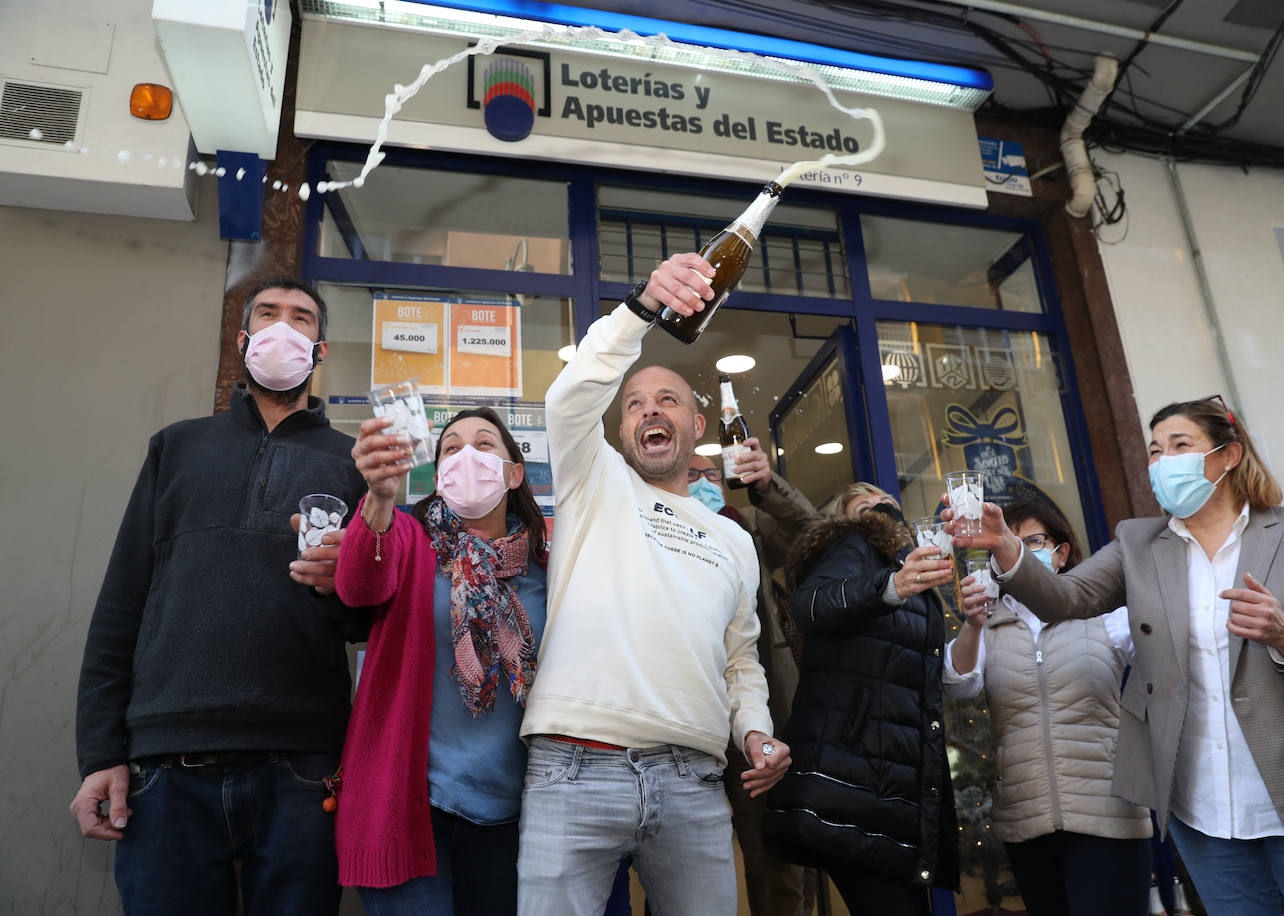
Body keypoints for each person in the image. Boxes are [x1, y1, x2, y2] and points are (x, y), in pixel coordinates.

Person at [955, 396, 1284, 916]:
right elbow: (1067, 599)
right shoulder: (1139, 542)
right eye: (1154, 451)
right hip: (1205, 810)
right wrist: (1004, 546)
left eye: (1180, 445)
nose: (1162, 461)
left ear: (1229, 455)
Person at [70, 277, 365, 915]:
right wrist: (100, 753)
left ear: (320, 349)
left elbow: (364, 622)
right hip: (165, 765)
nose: (285, 328)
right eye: (268, 314)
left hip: (304, 765)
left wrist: (341, 586)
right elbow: (123, 601)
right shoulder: (177, 447)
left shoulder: (351, 463)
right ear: (242, 340)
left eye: (303, 319)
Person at [516, 252, 791, 915]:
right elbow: (570, 395)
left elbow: (740, 659)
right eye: (635, 404)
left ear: (697, 428)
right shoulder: (593, 480)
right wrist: (641, 309)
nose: (649, 411)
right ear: (618, 430)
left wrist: (754, 730)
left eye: (668, 399)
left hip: (694, 783)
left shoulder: (733, 538)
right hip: (572, 769)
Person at [332, 407, 547, 914]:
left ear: (514, 473)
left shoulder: (544, 567)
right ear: (437, 473)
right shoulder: (407, 536)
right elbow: (357, 588)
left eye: (484, 444)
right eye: (451, 448)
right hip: (410, 806)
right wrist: (380, 498)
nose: (467, 456)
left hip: (510, 816)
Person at [944, 500, 1152, 916]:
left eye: (1033, 541)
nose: (1019, 550)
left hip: (1108, 811)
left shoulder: (1105, 615)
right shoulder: (991, 622)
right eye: (1008, 542)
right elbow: (958, 685)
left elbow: (1169, 657)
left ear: (1062, 552)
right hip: (1027, 818)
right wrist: (972, 624)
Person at [763, 482, 960, 915]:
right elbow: (812, 605)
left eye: (885, 501)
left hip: (891, 787)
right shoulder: (853, 545)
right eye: (864, 506)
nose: (880, 508)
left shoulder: (909, 573)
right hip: (853, 781)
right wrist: (891, 585)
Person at [688, 448, 818, 916]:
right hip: (688, 717)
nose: (703, 481)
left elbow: (811, 534)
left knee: (774, 857)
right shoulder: (656, 528)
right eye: (691, 475)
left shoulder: (749, 526)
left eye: (711, 474)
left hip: (760, 711)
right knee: (681, 865)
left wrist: (767, 486)